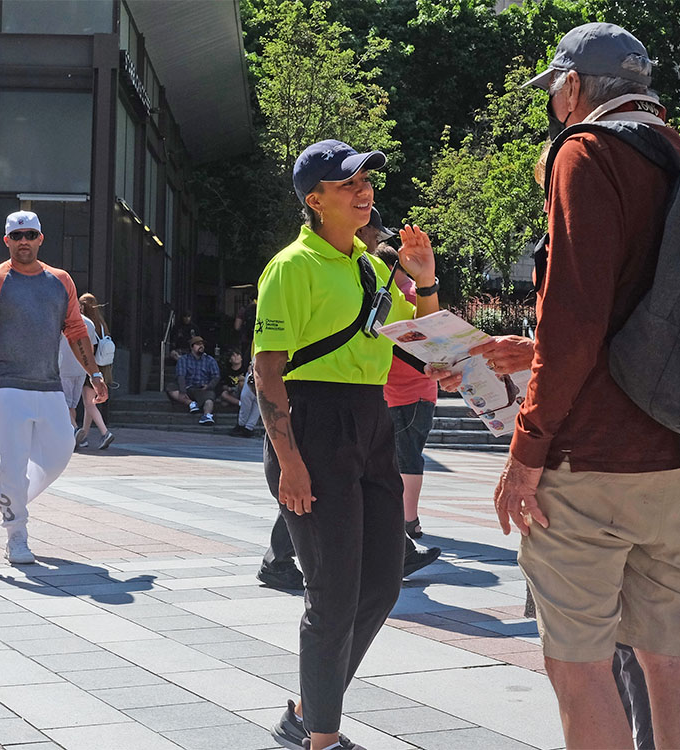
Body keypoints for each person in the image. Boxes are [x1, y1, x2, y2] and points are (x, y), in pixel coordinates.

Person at [497, 24, 680, 749]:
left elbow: (576, 317)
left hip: (592, 462)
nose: (553, 105)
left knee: (580, 666)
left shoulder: (584, 153)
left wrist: (526, 450)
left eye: (554, 92)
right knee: (671, 657)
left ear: (573, 87)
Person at [256, 138, 440, 750]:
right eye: (348, 184)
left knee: (383, 583)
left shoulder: (374, 264)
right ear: (315, 200)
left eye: (366, 181)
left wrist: (426, 280)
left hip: (372, 418)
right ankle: (321, 739)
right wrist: (289, 463)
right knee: (332, 595)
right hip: (313, 419)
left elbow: (429, 347)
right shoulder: (291, 267)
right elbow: (267, 372)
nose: (364, 191)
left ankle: (307, 710)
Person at [0, 211, 108, 564]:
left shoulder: (60, 280)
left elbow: (75, 330)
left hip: (48, 382)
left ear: (41, 238)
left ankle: (10, 498)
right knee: (12, 461)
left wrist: (94, 373)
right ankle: (17, 534)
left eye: (30, 234)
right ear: (6, 241)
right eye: (17, 235)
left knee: (60, 451)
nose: (24, 240)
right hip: (5, 383)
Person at [375, 245, 440, 540]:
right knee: (402, 456)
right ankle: (402, 518)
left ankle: (409, 520)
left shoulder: (410, 295)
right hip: (403, 392)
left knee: (408, 456)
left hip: (410, 393)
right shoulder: (406, 294)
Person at [76, 293, 114, 450]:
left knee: (89, 403)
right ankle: (83, 435)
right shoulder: (102, 324)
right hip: (104, 367)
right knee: (89, 403)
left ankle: (105, 432)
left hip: (90, 368)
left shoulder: (87, 324)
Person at [168, 336, 220, 425]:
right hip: (188, 387)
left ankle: (207, 415)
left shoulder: (210, 360)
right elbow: (181, 375)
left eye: (202, 344)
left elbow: (216, 376)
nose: (201, 346)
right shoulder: (184, 359)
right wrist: (183, 390)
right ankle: (191, 404)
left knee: (209, 398)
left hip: (202, 388)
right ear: (192, 347)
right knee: (171, 387)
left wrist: (209, 386)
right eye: (198, 344)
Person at [234, 289, 258, 357]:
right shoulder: (263, 310)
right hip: (259, 341)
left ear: (250, 299)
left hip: (246, 340)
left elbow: (237, 326)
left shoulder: (244, 309)